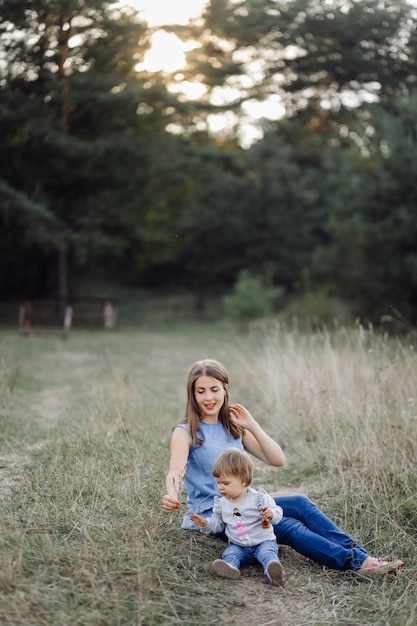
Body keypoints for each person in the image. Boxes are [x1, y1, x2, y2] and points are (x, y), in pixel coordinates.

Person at [162, 359, 404, 576]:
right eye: (200, 391)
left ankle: (364, 556)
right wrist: (171, 495)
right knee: (287, 526)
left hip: (244, 503)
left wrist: (252, 425)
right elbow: (176, 471)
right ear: (192, 395)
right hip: (214, 513)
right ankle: (356, 564)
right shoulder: (186, 432)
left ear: (225, 390)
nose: (208, 398)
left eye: (214, 390)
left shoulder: (233, 427)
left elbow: (278, 460)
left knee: (300, 503)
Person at [190, 447, 285, 586]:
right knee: (230, 554)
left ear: (244, 481)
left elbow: (278, 511)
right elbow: (218, 524)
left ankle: (272, 571)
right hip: (238, 545)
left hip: (263, 542)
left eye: (226, 483)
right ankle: (230, 568)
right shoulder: (221, 504)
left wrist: (271, 513)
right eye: (218, 483)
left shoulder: (259, 498)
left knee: (267, 554)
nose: (220, 487)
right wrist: (206, 524)